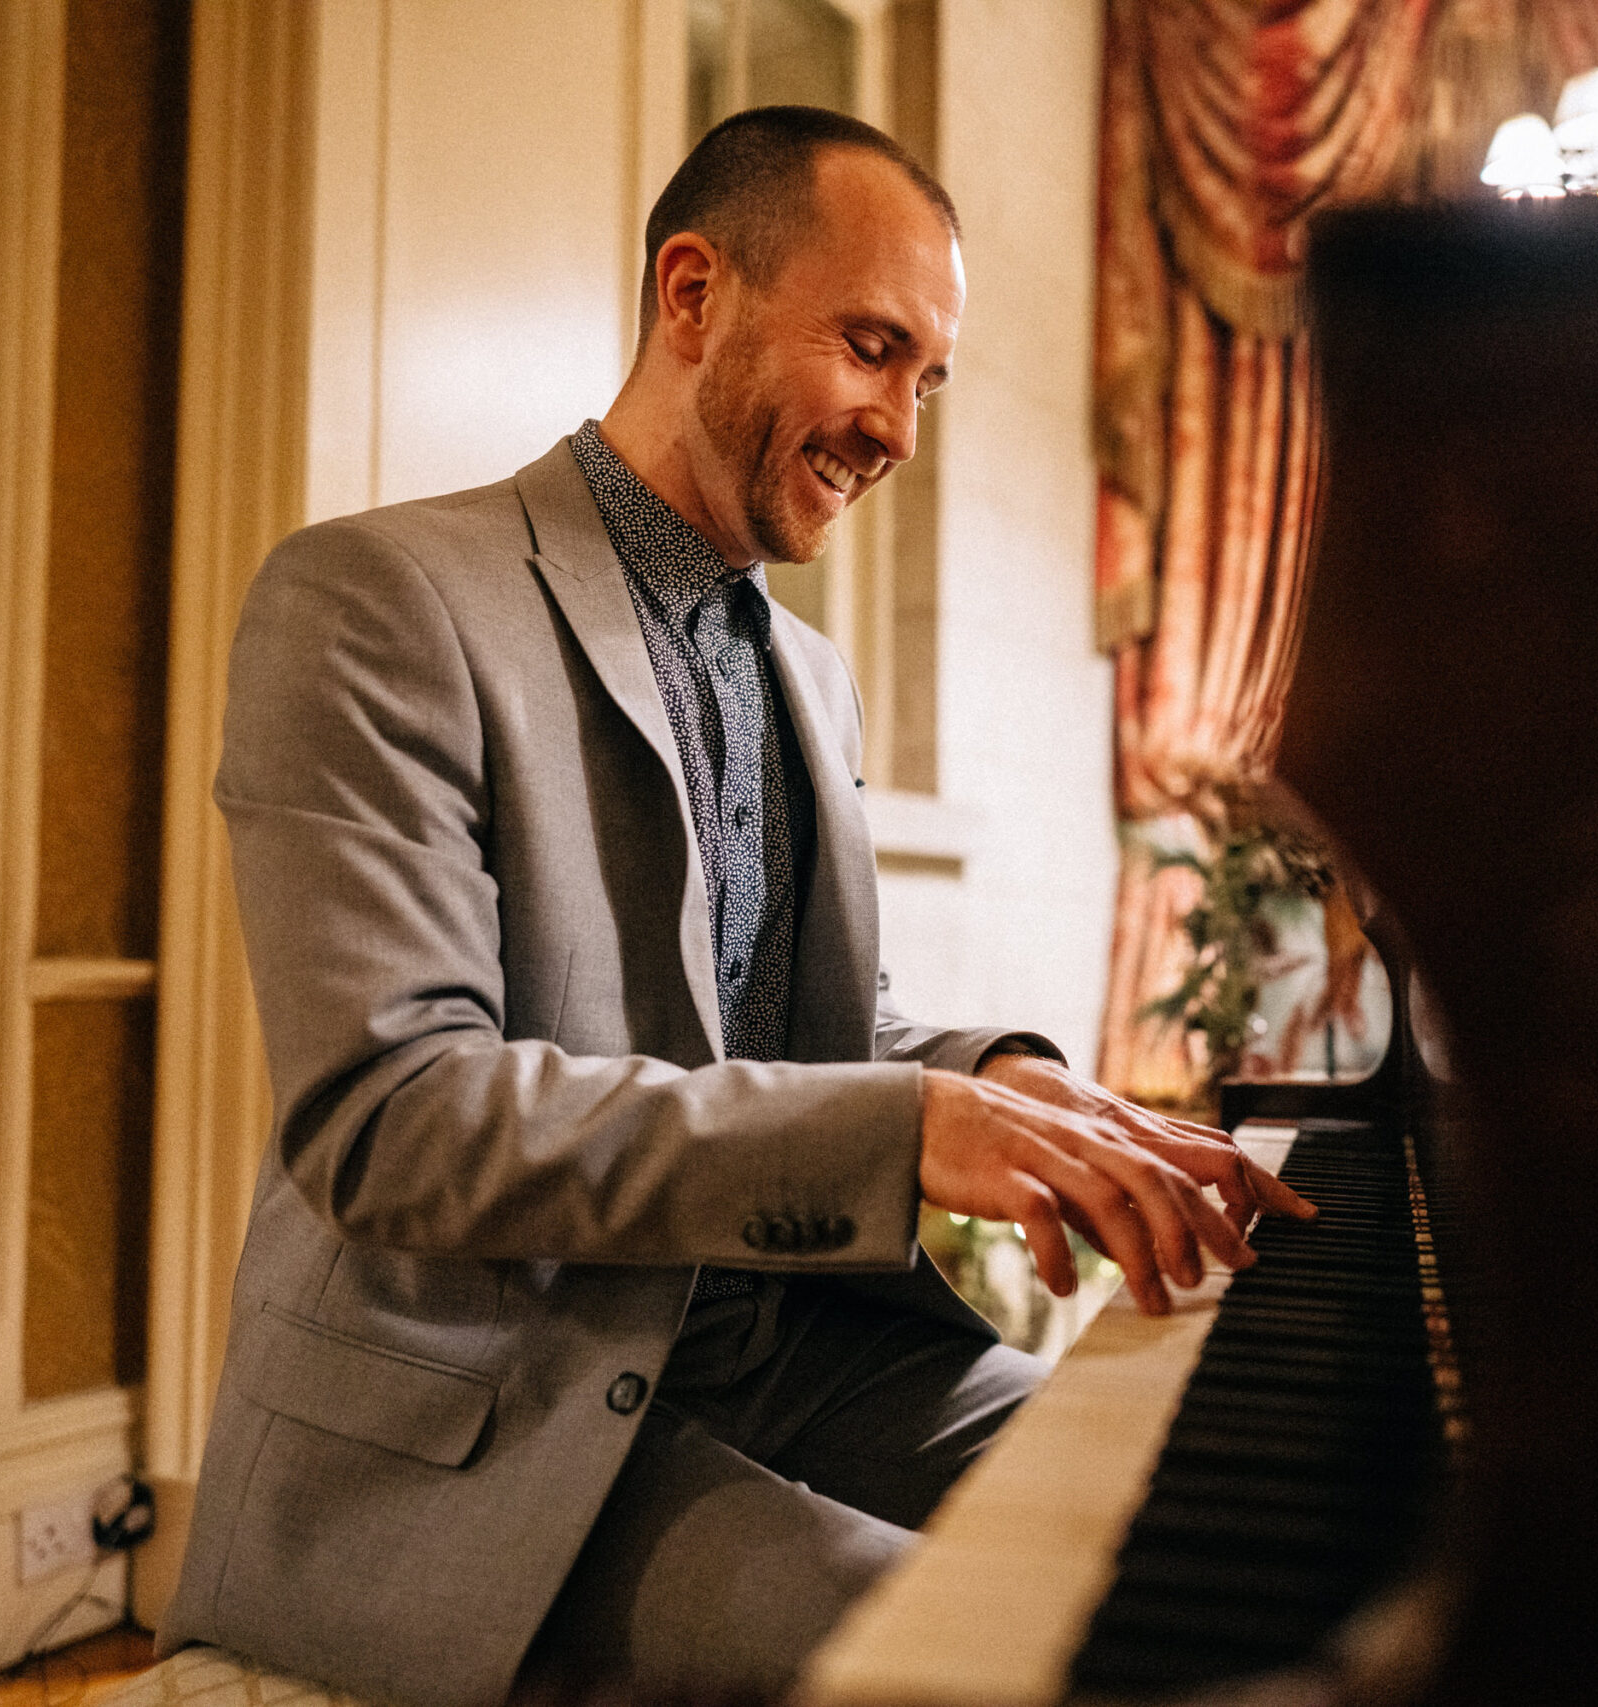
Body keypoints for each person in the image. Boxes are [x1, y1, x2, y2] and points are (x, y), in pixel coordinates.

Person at [158, 106, 1311, 1707]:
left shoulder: (809, 678)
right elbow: (393, 1119)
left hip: (803, 1361)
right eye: (871, 346)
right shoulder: (375, 602)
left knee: (1213, 1519)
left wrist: (1003, 1082)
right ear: (692, 294)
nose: (903, 427)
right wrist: (903, 1131)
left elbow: (781, 1024)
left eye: (930, 379)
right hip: (511, 1426)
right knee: (1012, 1652)